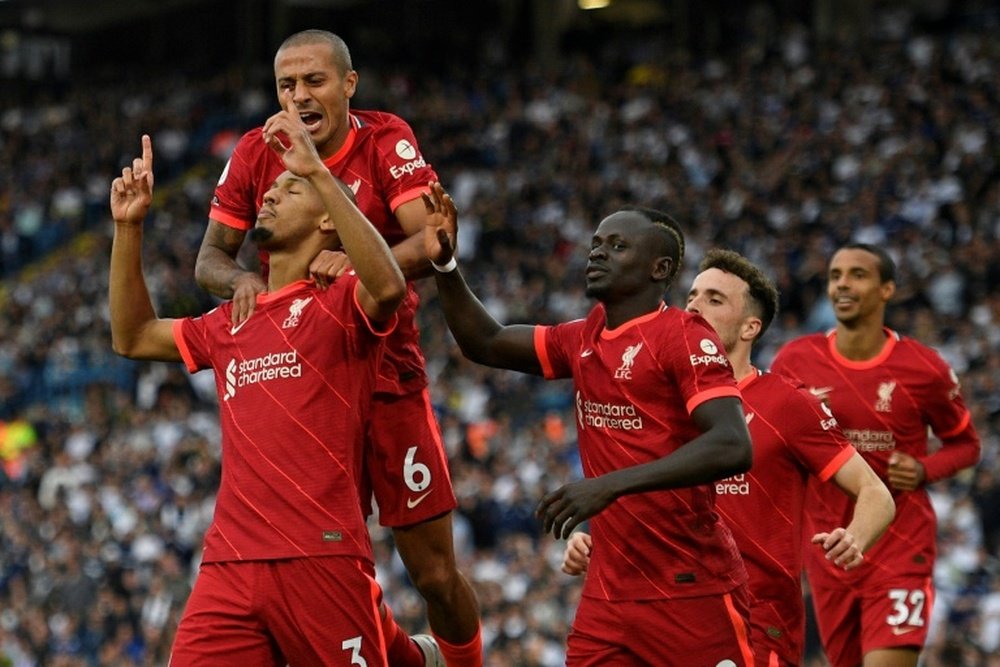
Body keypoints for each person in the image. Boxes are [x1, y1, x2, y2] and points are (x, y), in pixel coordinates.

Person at [195, 29, 481, 666]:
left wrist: (356, 262)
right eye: (286, 85)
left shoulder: (385, 139)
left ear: (349, 85)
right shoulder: (254, 150)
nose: (298, 97)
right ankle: (413, 658)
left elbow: (431, 239)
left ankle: (463, 661)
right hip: (306, 383)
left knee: (433, 574)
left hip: (386, 371)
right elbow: (210, 258)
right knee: (328, 561)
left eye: (314, 82)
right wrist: (242, 277)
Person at [421, 182, 756, 665]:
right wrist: (445, 266)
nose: (597, 253)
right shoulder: (584, 335)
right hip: (609, 596)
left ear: (658, 269)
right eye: (596, 244)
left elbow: (731, 444)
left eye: (617, 246)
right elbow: (486, 342)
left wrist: (608, 487)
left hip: (689, 588)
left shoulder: (682, 336)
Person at [110, 119, 405, 664]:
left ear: (326, 215)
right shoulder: (232, 320)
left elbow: (390, 286)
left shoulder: (341, 303)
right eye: (271, 187)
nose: (269, 192)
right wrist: (129, 230)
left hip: (321, 555)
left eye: (289, 188)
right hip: (229, 563)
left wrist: (316, 168)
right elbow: (132, 336)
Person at [561, 248, 897, 666]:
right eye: (693, 297)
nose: (696, 307)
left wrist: (854, 536)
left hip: (758, 621)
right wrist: (595, 541)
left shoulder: (786, 404)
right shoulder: (659, 401)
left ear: (750, 327)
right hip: (665, 613)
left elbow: (875, 493)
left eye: (715, 300)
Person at [769, 243, 982, 667]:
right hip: (829, 552)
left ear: (888, 290)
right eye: (835, 275)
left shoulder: (924, 369)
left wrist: (925, 469)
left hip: (900, 548)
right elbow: (774, 445)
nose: (842, 284)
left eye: (857, 274)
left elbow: (967, 445)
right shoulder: (794, 361)